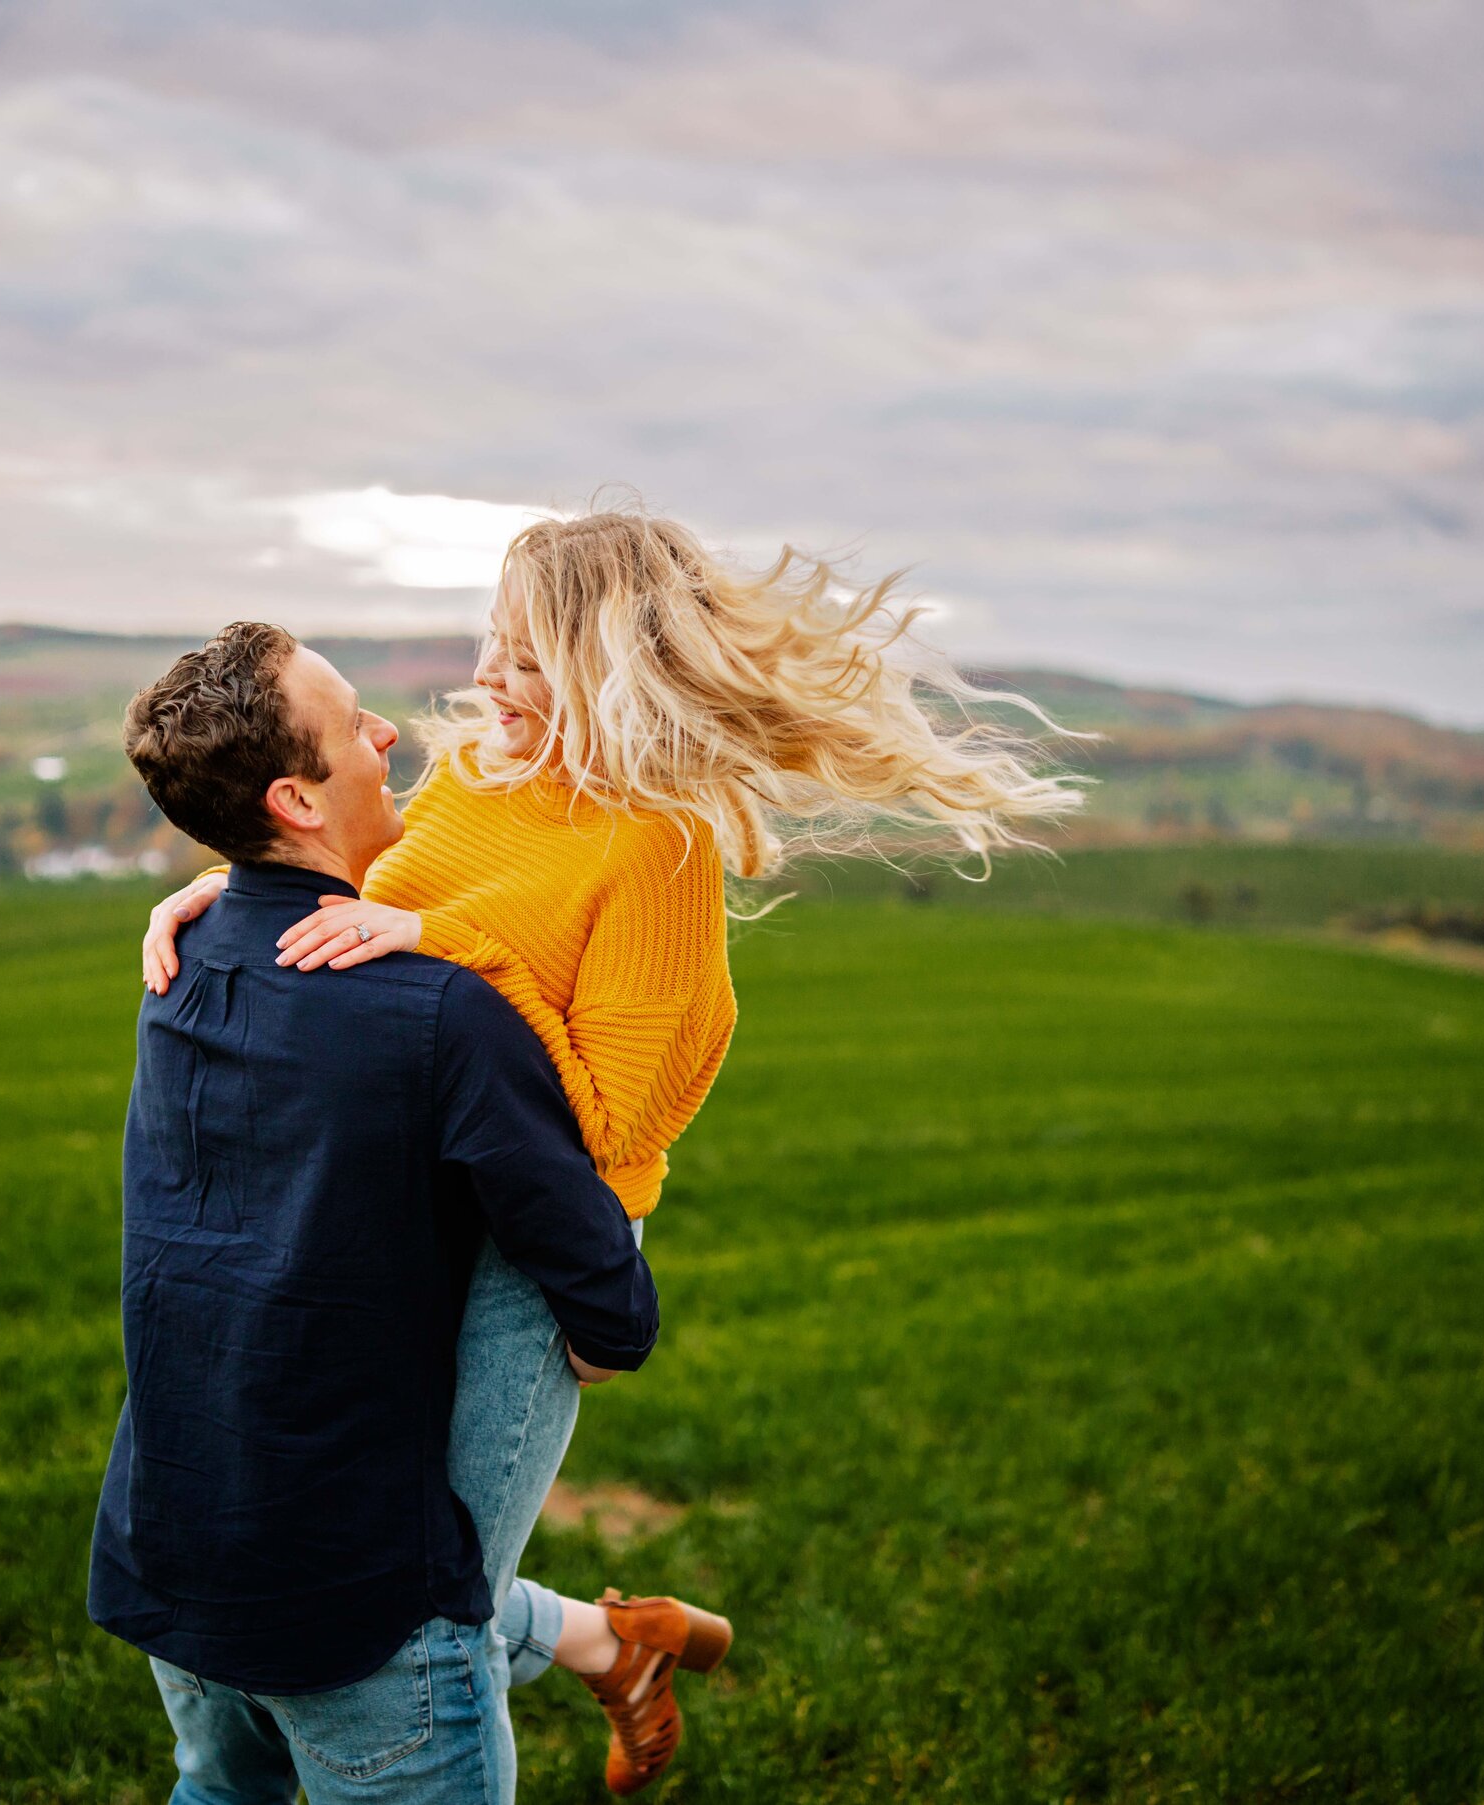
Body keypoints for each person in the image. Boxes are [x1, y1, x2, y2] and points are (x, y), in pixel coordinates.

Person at [144, 509, 1084, 1794]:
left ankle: (586, 1658)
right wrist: (238, 889)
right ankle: (611, 1640)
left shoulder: (656, 847)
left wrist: (450, 953)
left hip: (548, 1239)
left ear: (609, 665)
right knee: (392, 1545)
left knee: (433, 1582)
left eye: (528, 659)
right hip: (440, 1194)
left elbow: (605, 1119)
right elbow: (358, 893)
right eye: (491, 640)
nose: (488, 682)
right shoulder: (480, 773)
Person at [89, 622, 708, 1804]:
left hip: (170, 1543)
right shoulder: (437, 1013)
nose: (391, 735)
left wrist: (227, 879)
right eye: (355, 722)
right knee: (450, 1596)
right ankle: (603, 1640)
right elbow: (608, 1306)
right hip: (352, 1605)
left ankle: (600, 1640)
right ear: (295, 798)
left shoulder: (180, 963)